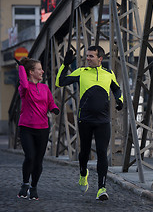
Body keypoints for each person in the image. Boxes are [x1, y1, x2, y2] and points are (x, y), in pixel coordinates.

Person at [55, 45, 123, 201]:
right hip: (85, 119)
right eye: (87, 56)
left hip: (103, 120)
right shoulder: (81, 72)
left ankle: (101, 188)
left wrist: (120, 101)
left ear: (100, 58)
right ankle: (83, 173)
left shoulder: (108, 74)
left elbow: (117, 89)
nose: (88, 59)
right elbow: (60, 82)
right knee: (84, 152)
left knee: (101, 152)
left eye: (91, 56)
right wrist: (65, 65)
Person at [15, 57, 60, 200]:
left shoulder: (44, 88)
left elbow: (51, 103)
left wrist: (54, 109)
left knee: (38, 160)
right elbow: (25, 84)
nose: (42, 71)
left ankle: (34, 187)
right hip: (27, 127)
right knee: (30, 157)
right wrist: (21, 67)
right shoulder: (24, 88)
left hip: (43, 128)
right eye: (39, 69)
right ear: (31, 72)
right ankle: (25, 183)